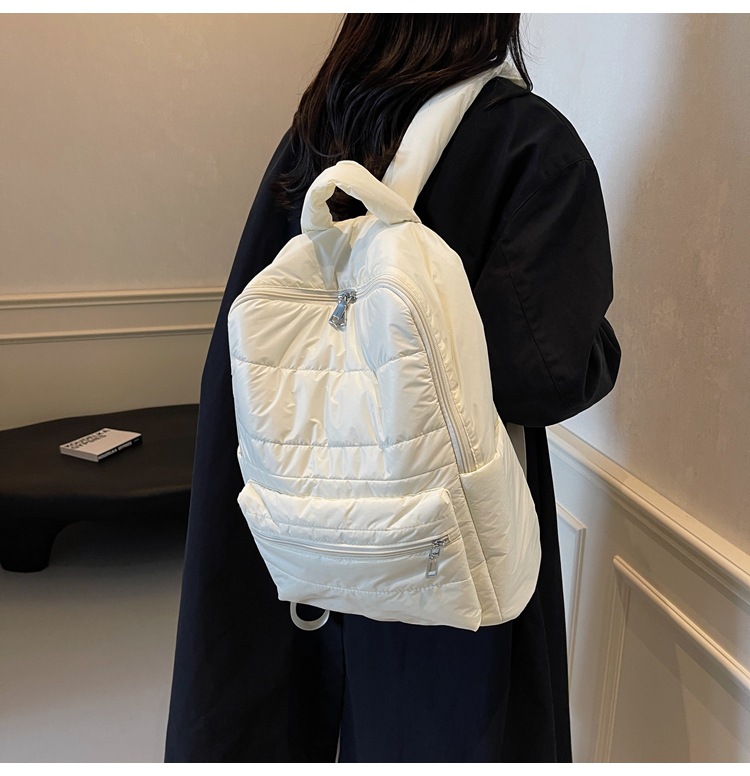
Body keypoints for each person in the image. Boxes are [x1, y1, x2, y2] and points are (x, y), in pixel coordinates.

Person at [165, 14, 621, 763]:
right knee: (435, 724)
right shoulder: (527, 143)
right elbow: (543, 374)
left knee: (278, 715)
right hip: (434, 534)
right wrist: (601, 346)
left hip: (299, 513)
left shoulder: (320, 127)